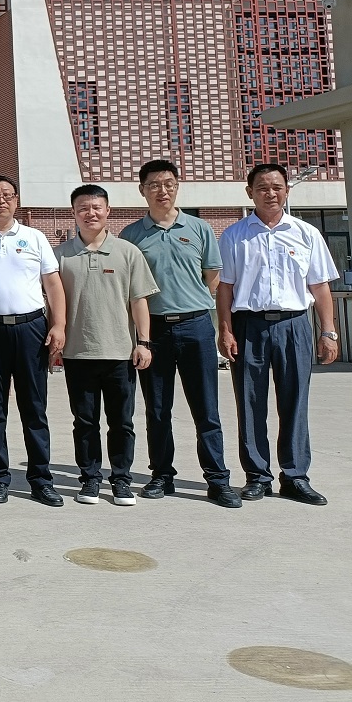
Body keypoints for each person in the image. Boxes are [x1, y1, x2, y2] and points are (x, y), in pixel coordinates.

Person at [217, 163, 340, 506]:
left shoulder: (306, 233)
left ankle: (295, 476)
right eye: (262, 187)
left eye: (276, 187)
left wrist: (328, 331)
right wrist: (225, 330)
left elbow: (320, 286)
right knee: (250, 402)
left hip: (294, 324)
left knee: (295, 401)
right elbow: (225, 288)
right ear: (250, 193)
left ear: (287, 190)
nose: (270, 193)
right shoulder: (235, 235)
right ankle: (258, 476)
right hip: (249, 326)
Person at [121, 160, 241, 509]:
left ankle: (217, 480)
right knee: (158, 409)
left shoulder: (199, 228)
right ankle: (162, 475)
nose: (163, 191)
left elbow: (212, 278)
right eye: (154, 185)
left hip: (195, 327)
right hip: (153, 331)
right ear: (142, 190)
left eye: (169, 184)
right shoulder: (131, 235)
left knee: (206, 408)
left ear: (177, 187)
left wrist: (193, 306)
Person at [0, 176, 66, 507]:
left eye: (7, 195)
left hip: (31, 330)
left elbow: (52, 285)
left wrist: (59, 325)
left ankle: (41, 479)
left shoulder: (35, 238)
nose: (1, 201)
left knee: (34, 408)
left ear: (16, 200)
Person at [55, 185, 158, 507]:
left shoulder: (128, 252)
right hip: (78, 353)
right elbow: (52, 303)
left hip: (120, 353)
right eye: (83, 208)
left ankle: (121, 480)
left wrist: (143, 342)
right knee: (85, 422)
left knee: (122, 423)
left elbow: (138, 301)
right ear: (74, 213)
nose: (91, 213)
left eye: (97, 207)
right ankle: (90, 479)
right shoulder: (61, 256)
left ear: (108, 210)